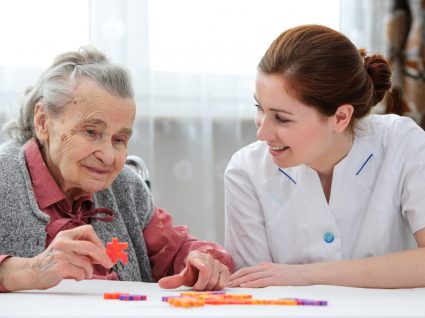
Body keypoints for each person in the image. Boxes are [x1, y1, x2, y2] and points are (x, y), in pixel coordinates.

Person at [0, 46, 233, 292]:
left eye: (119, 139)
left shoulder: (125, 187)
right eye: (91, 132)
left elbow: (179, 249)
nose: (108, 156)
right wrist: (31, 271)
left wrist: (203, 260)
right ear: (43, 121)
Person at [224, 24, 425, 289]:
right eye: (259, 108)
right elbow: (254, 287)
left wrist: (308, 275)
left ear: (341, 117)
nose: (262, 132)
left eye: (282, 118)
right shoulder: (245, 170)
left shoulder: (401, 142)